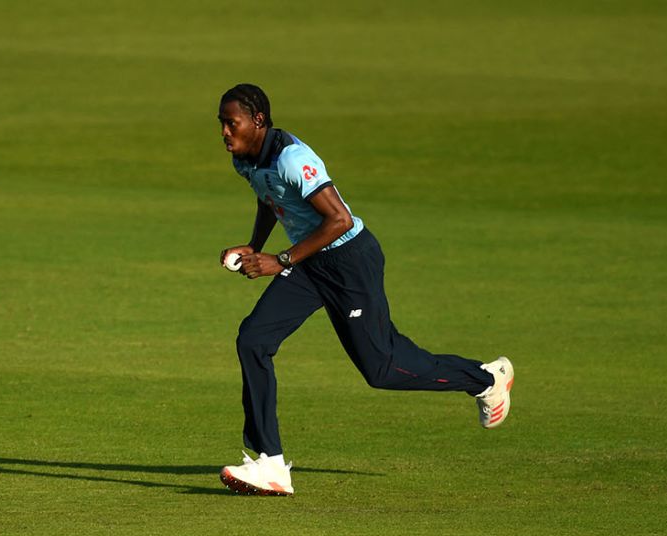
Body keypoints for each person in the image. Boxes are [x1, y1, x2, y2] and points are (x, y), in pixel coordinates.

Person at [215, 83, 513, 496]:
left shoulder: (292, 158)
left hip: (348, 260)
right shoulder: (246, 160)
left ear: (259, 121)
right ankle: (271, 463)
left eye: (232, 123)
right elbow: (270, 200)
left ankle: (483, 377)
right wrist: (256, 246)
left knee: (383, 369)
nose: (225, 133)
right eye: (222, 125)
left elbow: (337, 219)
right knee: (253, 339)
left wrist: (279, 260)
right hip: (309, 263)